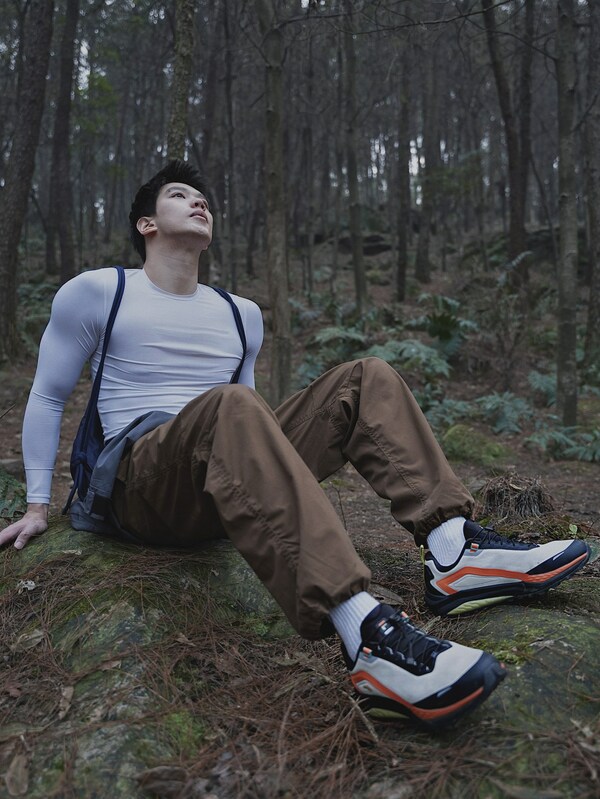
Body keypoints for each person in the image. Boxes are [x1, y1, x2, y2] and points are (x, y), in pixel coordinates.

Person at [0, 160, 590, 729]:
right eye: (178, 195)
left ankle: (453, 550)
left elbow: (253, 424)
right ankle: (368, 638)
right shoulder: (100, 291)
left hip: (219, 474)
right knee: (232, 406)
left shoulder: (239, 314)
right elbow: (48, 396)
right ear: (146, 223)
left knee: (367, 378)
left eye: (202, 198)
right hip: (141, 484)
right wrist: (37, 505)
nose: (198, 201)